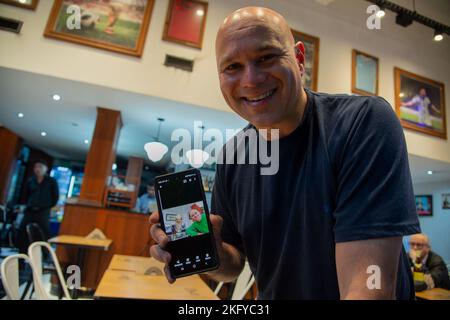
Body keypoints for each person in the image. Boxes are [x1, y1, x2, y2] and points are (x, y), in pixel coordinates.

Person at [150, 7, 421, 299]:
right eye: (232, 67)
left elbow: (368, 288)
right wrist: (212, 250)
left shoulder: (363, 124)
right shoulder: (233, 157)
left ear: (300, 59)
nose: (251, 80)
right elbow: (233, 266)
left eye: (266, 57)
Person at [17, 159, 59, 253]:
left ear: (46, 169)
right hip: (30, 209)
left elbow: (55, 197)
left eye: (40, 166)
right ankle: (22, 253)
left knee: (44, 232)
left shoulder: (51, 181)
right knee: (23, 231)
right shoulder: (30, 181)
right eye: (36, 167)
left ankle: (44, 254)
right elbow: (25, 195)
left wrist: (47, 206)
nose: (37, 169)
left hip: (43, 210)